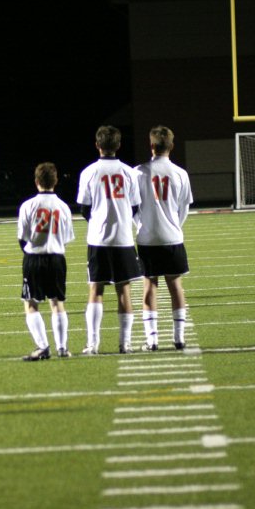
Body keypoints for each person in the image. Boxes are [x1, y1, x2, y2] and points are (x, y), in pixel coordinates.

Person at [76, 125, 143, 354]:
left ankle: (93, 344)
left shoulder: (89, 172)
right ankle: (125, 344)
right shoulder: (129, 172)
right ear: (118, 145)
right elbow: (135, 207)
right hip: (123, 238)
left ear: (97, 145)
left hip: (98, 239)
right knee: (124, 292)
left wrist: (97, 223)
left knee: (96, 291)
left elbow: (84, 208)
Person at [134, 125, 194, 351]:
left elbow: (133, 207)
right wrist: (174, 227)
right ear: (172, 146)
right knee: (175, 285)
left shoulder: (138, 172)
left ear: (151, 146)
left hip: (148, 238)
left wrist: (142, 225)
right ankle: (179, 338)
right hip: (172, 237)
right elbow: (184, 208)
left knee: (150, 286)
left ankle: (152, 340)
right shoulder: (180, 173)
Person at [17, 162, 75, 360]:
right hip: (57, 257)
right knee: (57, 303)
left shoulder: (28, 205)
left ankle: (42, 347)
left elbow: (22, 238)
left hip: (34, 257)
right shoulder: (64, 207)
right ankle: (62, 348)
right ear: (55, 181)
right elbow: (66, 239)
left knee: (31, 303)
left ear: (36, 181)